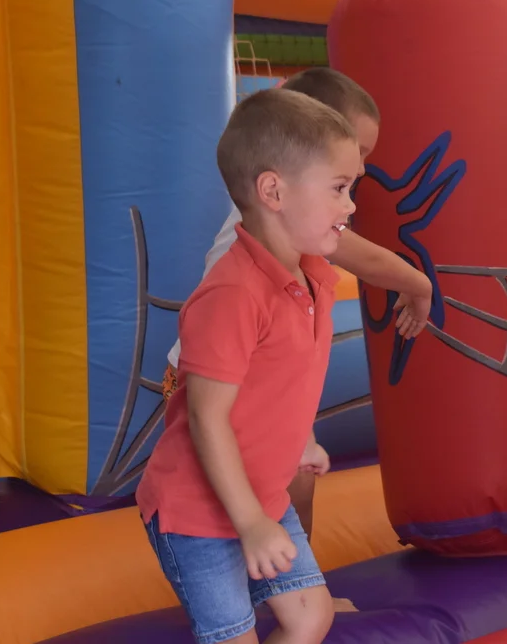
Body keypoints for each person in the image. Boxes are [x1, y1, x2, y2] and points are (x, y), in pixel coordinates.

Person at [160, 68, 431, 614]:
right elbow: (361, 256)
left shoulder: (300, 221)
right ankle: (271, 580)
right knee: (275, 485)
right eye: (345, 172)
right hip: (218, 379)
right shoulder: (275, 224)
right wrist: (417, 283)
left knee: (295, 477)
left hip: (265, 376)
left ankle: (287, 584)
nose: (355, 188)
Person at [137, 88, 365, 644]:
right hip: (197, 513)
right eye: (339, 188)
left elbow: (282, 379)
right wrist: (251, 525)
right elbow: (207, 416)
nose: (351, 206)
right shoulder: (234, 295)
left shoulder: (313, 277)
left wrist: (298, 442)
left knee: (311, 617)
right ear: (273, 191)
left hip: (262, 493)